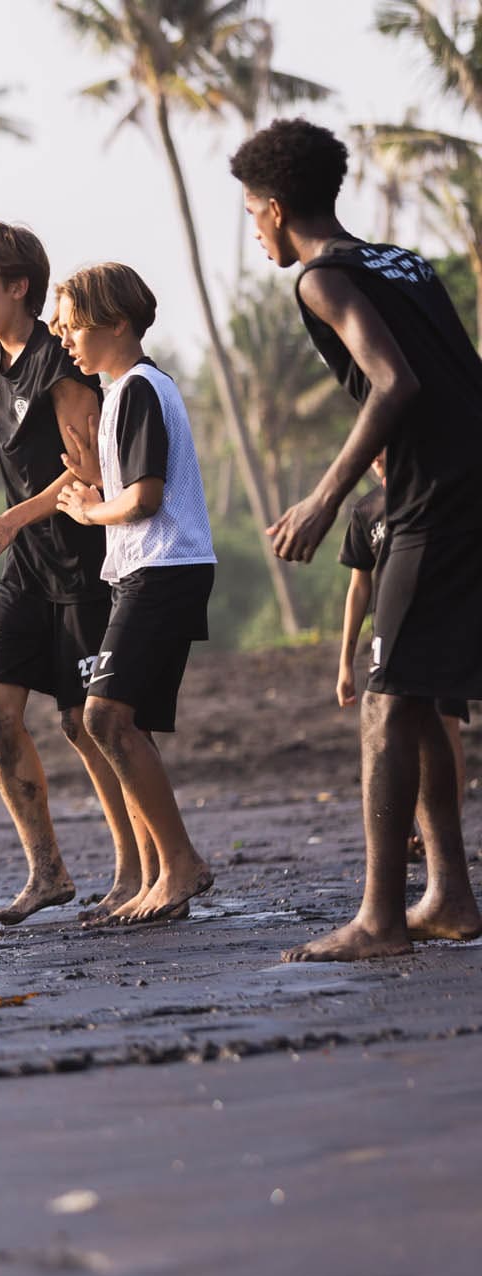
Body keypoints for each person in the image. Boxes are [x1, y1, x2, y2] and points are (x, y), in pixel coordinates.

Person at [230, 117, 482, 959]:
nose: (251, 227)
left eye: (249, 211)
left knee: (384, 699)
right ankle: (447, 893)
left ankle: (380, 918)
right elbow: (454, 374)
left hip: (435, 504)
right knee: (420, 695)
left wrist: (323, 497)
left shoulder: (319, 278)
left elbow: (395, 380)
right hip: (462, 486)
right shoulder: (403, 261)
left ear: (271, 208)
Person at [0, 222, 151, 925]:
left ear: (17, 287)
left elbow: (88, 467)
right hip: (27, 568)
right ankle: (47, 872)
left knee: (81, 721)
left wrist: (12, 519)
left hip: (85, 562)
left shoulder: (56, 365)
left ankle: (135, 869)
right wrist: (15, 526)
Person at [53, 262, 218, 924]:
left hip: (163, 567)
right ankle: (159, 877)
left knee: (104, 718)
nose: (65, 338)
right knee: (129, 723)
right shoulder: (126, 391)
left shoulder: (139, 388)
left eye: (73, 326)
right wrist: (95, 482)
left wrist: (90, 509)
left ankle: (180, 865)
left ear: (116, 324)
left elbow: (146, 499)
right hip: (147, 570)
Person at [335, 453, 467, 855]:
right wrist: (345, 662)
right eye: (372, 448)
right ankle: (404, 831)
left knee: (444, 722)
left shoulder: (437, 495)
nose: (378, 457)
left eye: (386, 447)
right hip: (389, 637)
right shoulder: (367, 510)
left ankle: (444, 836)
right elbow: (359, 588)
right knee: (392, 725)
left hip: (441, 629)